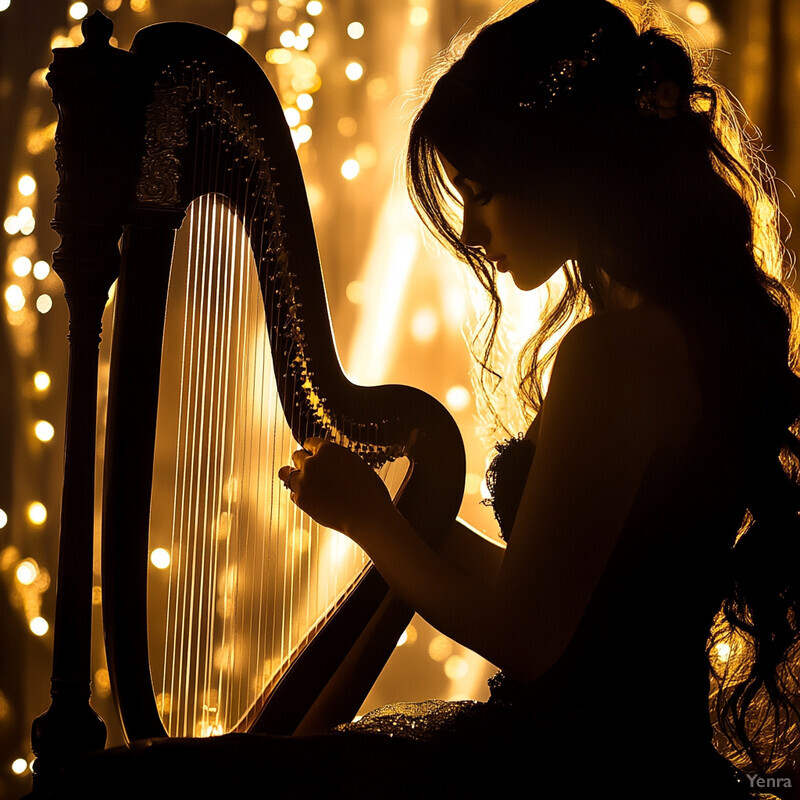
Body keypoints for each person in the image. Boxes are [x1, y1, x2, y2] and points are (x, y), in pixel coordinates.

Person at [275, 0, 800, 797]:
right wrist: (419, 521)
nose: (470, 229)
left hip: (569, 781)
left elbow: (526, 638)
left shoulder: (613, 354)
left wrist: (368, 520)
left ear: (563, 164)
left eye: (481, 190)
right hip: (646, 766)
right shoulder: (686, 333)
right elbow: (571, 602)